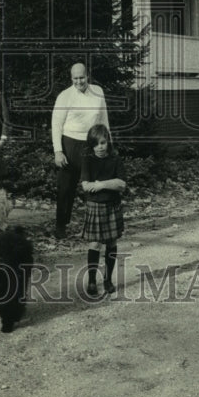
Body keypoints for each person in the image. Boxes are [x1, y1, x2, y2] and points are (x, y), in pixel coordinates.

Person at [51, 61, 110, 239]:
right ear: (71, 78)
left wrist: (108, 144)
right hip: (70, 144)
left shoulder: (98, 91)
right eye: (75, 78)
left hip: (92, 144)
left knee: (94, 185)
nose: (79, 81)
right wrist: (58, 151)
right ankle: (61, 226)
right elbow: (56, 125)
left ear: (87, 76)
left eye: (82, 77)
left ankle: (95, 224)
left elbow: (104, 119)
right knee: (66, 187)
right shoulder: (64, 96)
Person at [80, 123, 126, 298]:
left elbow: (122, 184)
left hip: (112, 205)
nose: (99, 147)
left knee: (112, 243)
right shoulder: (88, 160)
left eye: (102, 143)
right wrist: (111, 184)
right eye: (95, 144)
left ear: (108, 142)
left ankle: (108, 280)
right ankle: (92, 281)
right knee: (95, 244)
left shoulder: (116, 160)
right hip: (95, 206)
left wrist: (100, 185)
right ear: (91, 145)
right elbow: (85, 186)